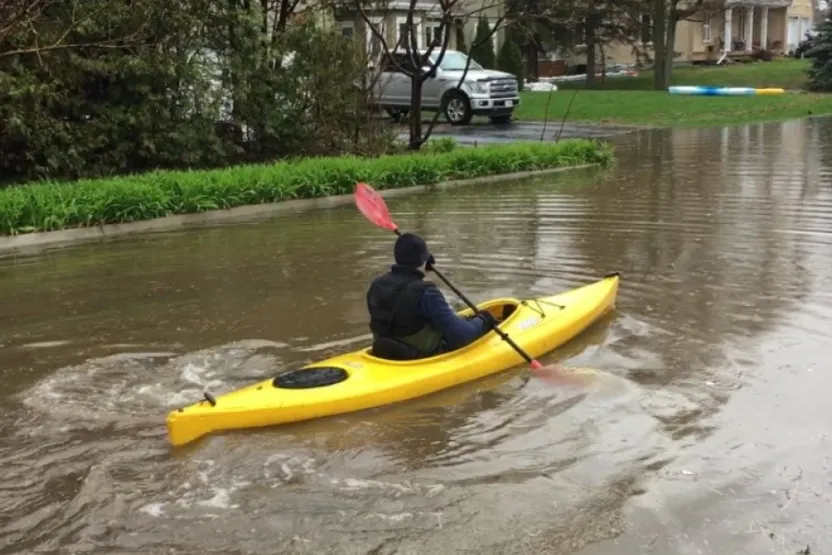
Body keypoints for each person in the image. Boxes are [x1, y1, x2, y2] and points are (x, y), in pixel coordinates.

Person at [366, 232, 497, 360]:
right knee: (472, 325)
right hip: (419, 356)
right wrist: (483, 320)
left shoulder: (376, 285)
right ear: (422, 260)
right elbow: (461, 336)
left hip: (384, 351)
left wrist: (423, 260)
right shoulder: (426, 293)